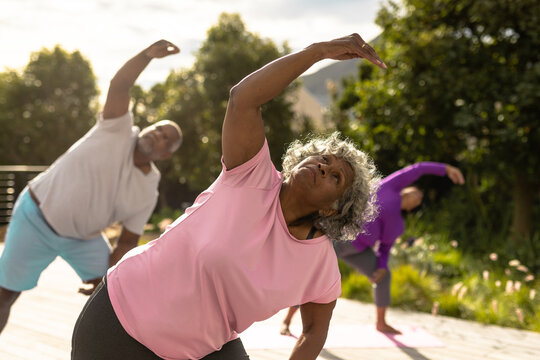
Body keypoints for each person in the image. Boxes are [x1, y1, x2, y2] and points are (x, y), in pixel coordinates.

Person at [71, 33, 385, 360]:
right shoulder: (250, 173)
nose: (322, 166)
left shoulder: (319, 265)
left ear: (334, 209)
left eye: (335, 177)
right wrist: (317, 51)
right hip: (119, 322)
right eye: (323, 158)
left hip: (197, 349)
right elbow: (243, 97)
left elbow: (313, 331)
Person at [0, 40, 183, 334]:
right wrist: (147, 55)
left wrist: (107, 280)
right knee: (5, 296)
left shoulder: (148, 189)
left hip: (83, 240)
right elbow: (120, 85)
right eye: (157, 128)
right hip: (35, 217)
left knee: (116, 297)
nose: (157, 134)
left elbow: (126, 242)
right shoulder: (117, 129)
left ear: (166, 154)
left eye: (165, 138)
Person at [280, 162, 465, 336]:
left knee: (385, 275)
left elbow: (385, 247)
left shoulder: (399, 225)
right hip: (341, 240)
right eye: (417, 193)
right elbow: (418, 169)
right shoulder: (388, 187)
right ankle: (287, 320)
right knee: (314, 277)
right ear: (407, 189)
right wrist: (446, 169)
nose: (418, 198)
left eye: (420, 200)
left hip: (359, 251)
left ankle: (381, 323)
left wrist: (382, 266)